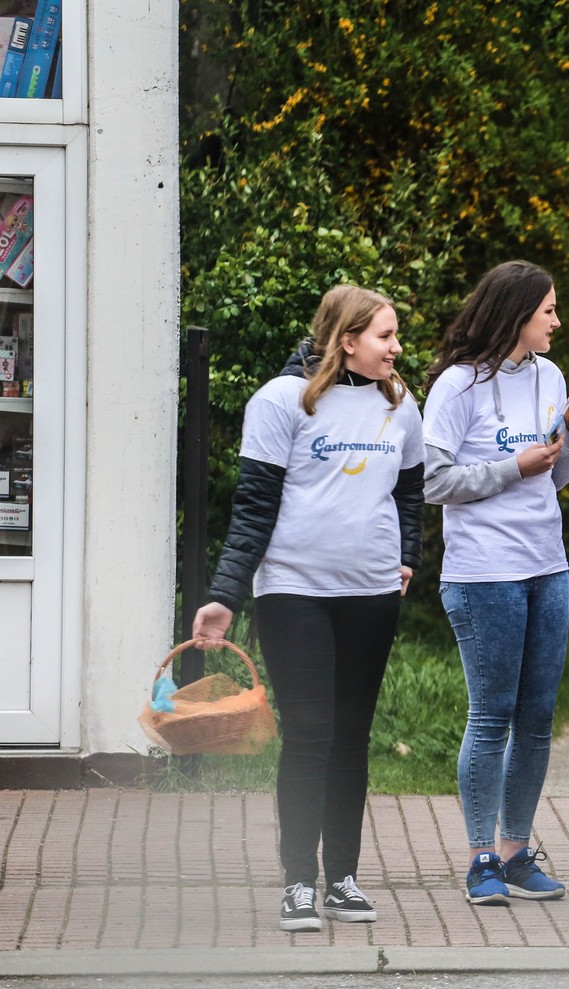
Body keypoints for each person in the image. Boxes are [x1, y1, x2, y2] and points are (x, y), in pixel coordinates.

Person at [192, 285, 425, 933]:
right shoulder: (280, 400)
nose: (397, 347)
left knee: (351, 735)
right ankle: (299, 880)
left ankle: (343, 878)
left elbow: (410, 494)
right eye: (385, 335)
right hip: (293, 593)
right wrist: (223, 597)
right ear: (346, 339)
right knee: (311, 733)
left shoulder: (401, 405)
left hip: (371, 595)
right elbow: (254, 509)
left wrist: (406, 554)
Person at [422, 260, 569, 907]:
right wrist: (509, 465)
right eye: (548, 310)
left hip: (545, 567)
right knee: (492, 716)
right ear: (517, 313)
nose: (557, 321)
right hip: (483, 572)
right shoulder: (456, 387)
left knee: (538, 719)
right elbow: (433, 481)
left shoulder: (550, 376)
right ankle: (480, 858)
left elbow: (556, 476)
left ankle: (519, 850)